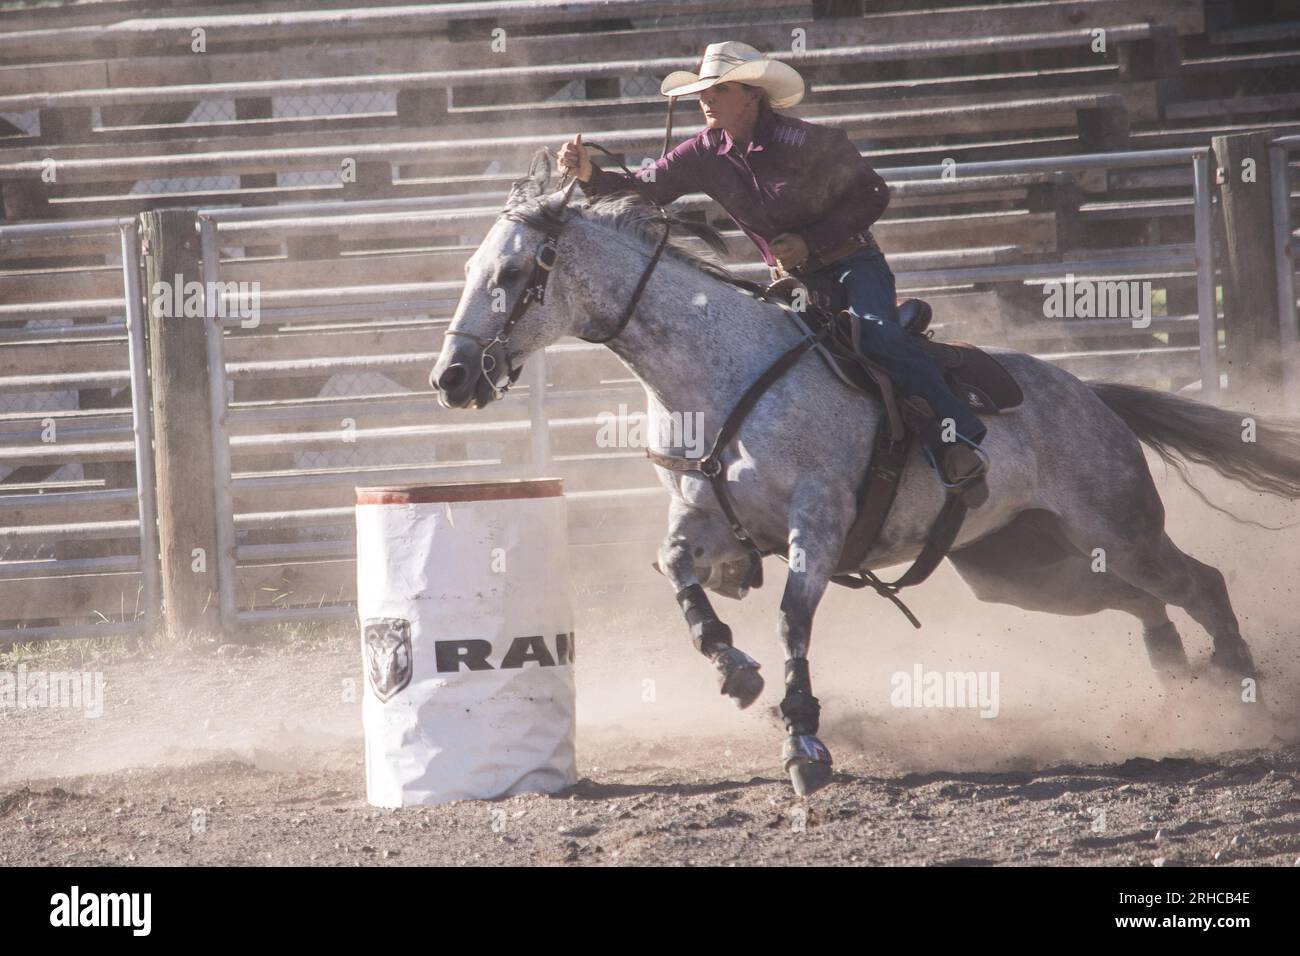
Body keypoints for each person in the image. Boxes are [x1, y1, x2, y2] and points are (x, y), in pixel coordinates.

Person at [558, 41, 988, 501]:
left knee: (879, 337)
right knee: (762, 361)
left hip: (852, 266)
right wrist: (590, 176)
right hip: (794, 283)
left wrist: (811, 240)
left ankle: (954, 441)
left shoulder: (809, 142)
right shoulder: (703, 151)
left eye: (718, 90)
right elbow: (643, 192)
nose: (705, 99)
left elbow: (873, 195)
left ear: (751, 94)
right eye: (703, 91)